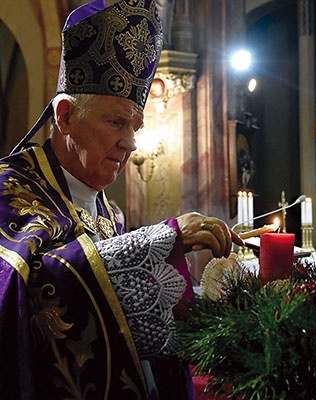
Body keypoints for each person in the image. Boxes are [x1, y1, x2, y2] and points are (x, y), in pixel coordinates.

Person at [0, 0, 242, 399]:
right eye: (116, 122)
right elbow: (22, 298)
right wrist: (158, 243)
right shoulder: (9, 189)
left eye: (137, 125)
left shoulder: (110, 212)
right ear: (64, 117)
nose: (130, 142)